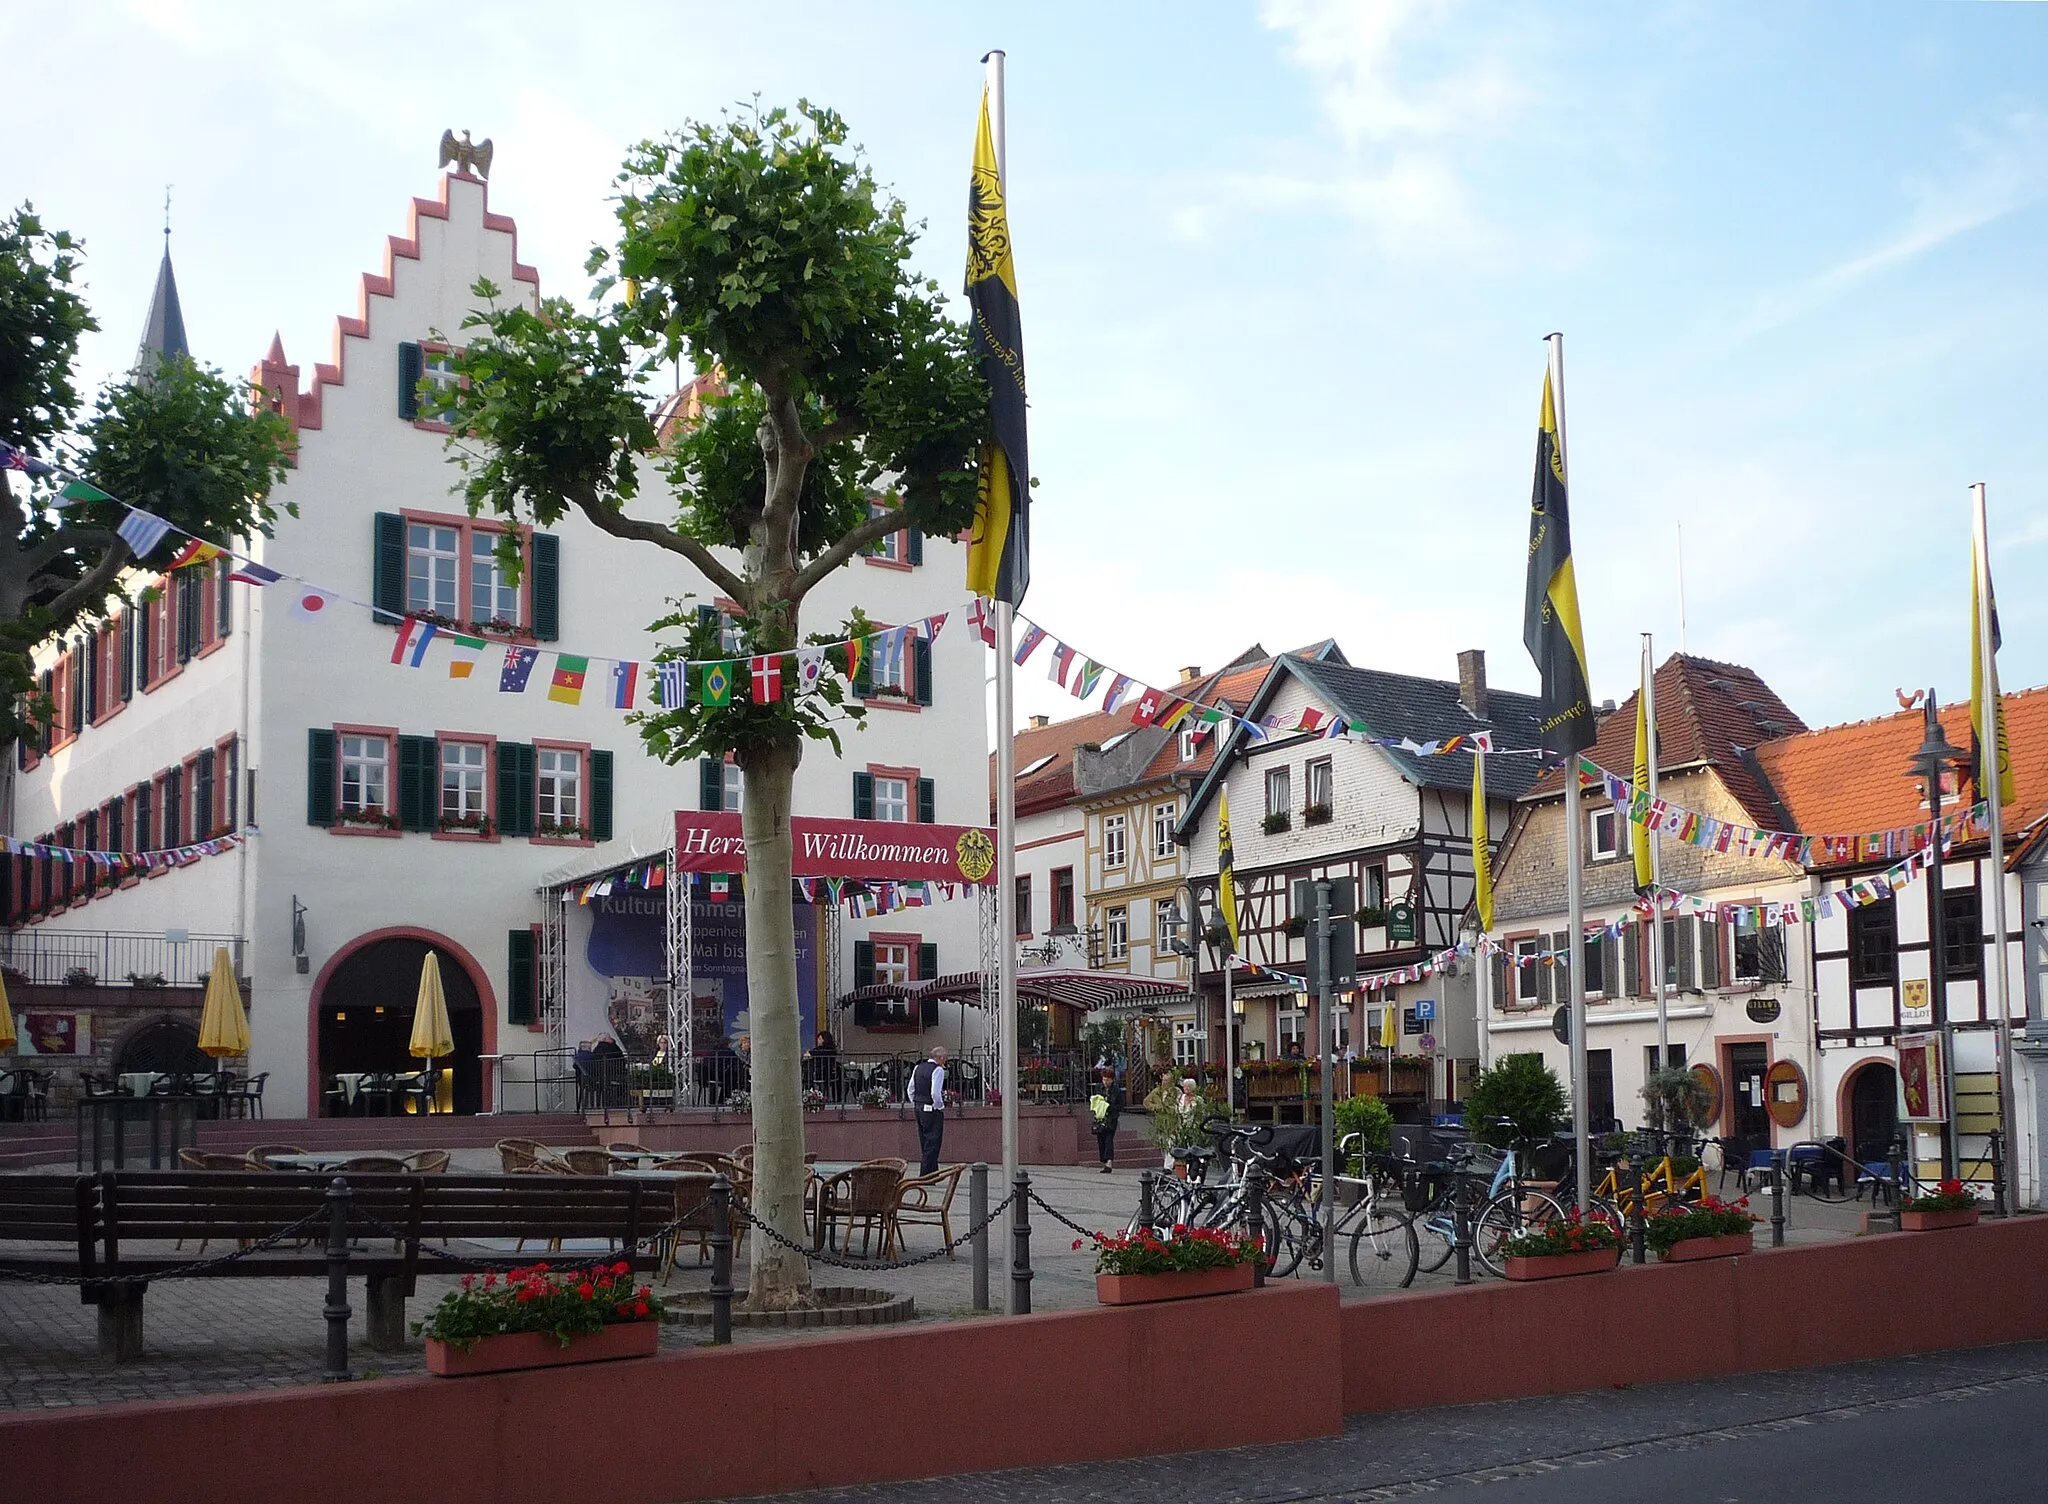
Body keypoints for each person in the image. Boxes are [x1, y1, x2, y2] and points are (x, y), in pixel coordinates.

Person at [909, 1046, 948, 1176]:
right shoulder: (938, 1070)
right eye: (945, 1058)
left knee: (924, 1139)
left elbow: (910, 1089)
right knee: (933, 1141)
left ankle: (932, 1171)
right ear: (940, 1057)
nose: (945, 1061)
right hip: (931, 1108)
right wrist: (939, 1106)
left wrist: (915, 1102)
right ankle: (927, 1173)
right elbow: (935, 1093)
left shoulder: (918, 1068)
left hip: (918, 1107)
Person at [1091, 1067, 1125, 1173]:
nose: (1105, 1082)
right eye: (1104, 1079)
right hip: (1100, 1118)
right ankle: (1104, 1159)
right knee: (1101, 1140)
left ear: (1112, 1080)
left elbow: (1120, 1105)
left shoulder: (1117, 1091)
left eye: (1108, 1080)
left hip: (1111, 1118)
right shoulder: (1098, 1088)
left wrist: (1110, 1107)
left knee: (1109, 1140)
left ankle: (1109, 1162)